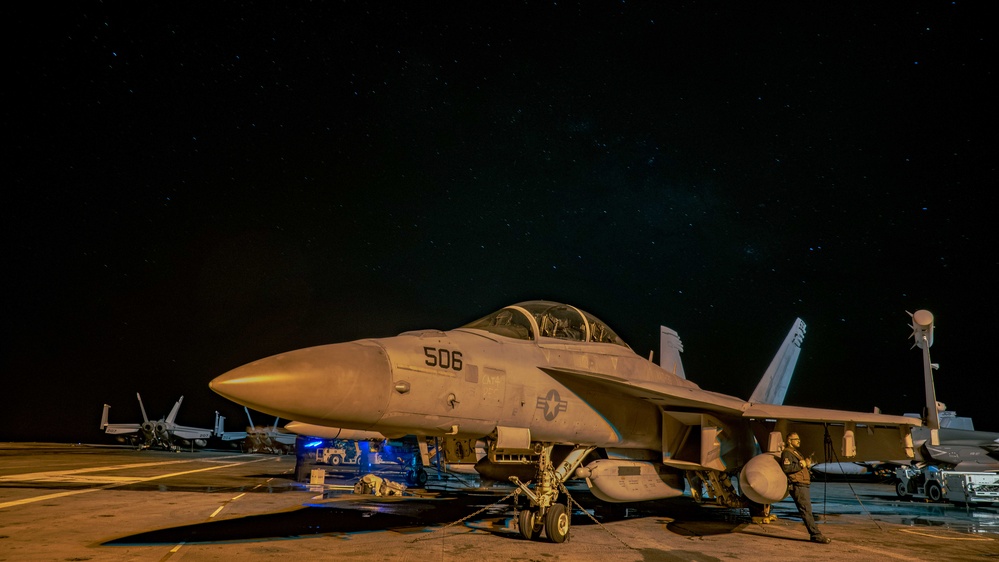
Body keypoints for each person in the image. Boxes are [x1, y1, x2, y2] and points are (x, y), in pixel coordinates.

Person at [781, 432, 832, 544]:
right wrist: (802, 464)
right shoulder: (787, 453)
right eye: (796, 439)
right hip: (798, 485)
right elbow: (787, 468)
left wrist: (806, 464)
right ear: (789, 441)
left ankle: (815, 534)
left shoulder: (795, 452)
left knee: (807, 510)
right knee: (806, 511)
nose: (799, 441)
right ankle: (816, 535)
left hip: (802, 484)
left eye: (799, 439)